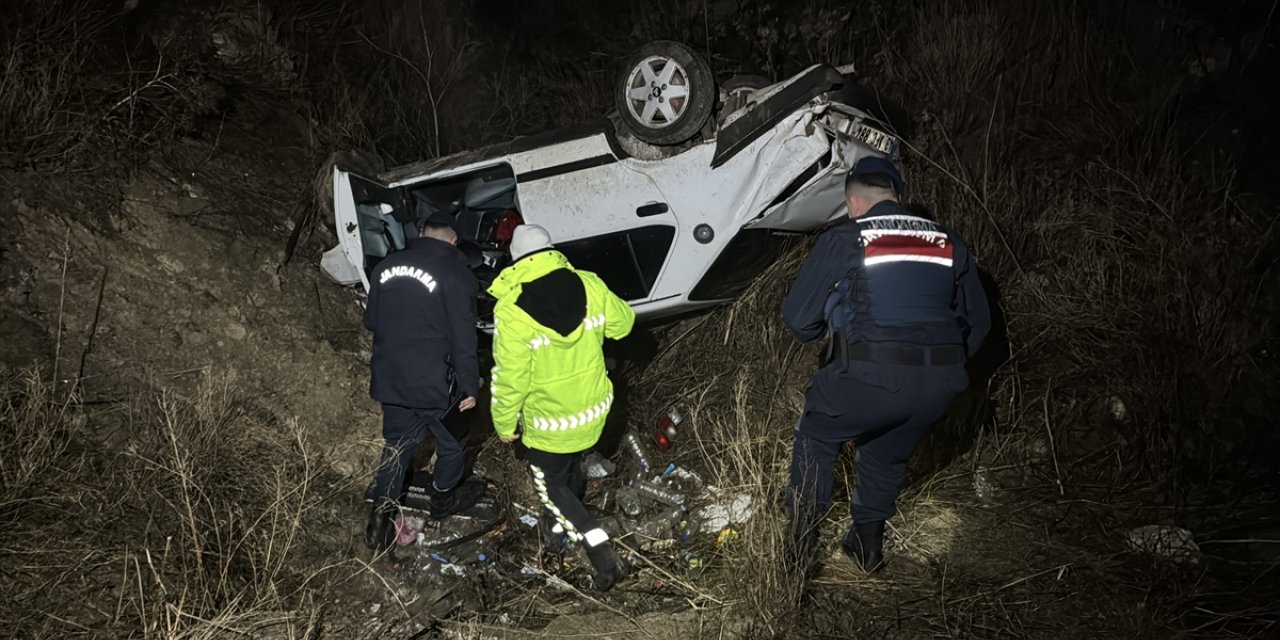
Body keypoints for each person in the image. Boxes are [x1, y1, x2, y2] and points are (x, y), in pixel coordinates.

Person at [780, 156, 992, 574]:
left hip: (872, 372)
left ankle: (799, 550)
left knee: (818, 433)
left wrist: (824, 330)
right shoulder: (950, 242)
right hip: (943, 382)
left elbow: (798, 317)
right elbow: (978, 322)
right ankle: (867, 545)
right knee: (885, 451)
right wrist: (941, 368)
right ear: (898, 197)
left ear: (854, 203)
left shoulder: (849, 237)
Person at [487, 224, 636, 592]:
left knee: (551, 486)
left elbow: (509, 378)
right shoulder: (588, 283)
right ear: (551, 250)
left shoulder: (511, 309)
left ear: (516, 260)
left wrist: (504, 425)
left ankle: (599, 550)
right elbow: (624, 324)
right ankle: (554, 529)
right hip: (594, 411)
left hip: (550, 425)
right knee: (570, 467)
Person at [362, 211, 485, 553]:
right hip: (437, 383)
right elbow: (464, 340)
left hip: (393, 378)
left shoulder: (384, 267)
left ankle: (378, 520)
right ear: (454, 240)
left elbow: (372, 321)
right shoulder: (457, 275)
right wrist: (470, 387)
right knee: (452, 442)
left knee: (397, 447)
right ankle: (442, 500)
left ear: (421, 232)